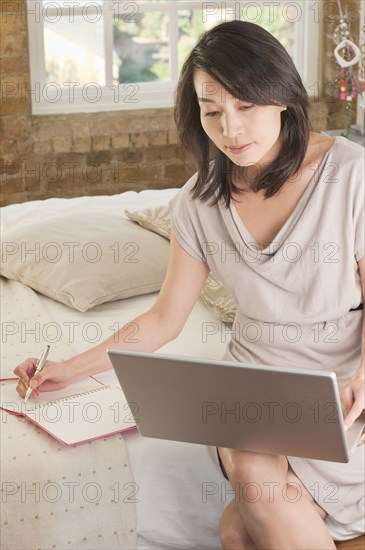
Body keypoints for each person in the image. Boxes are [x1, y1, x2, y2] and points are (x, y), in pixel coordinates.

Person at [15, 21, 364, 549]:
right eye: (213, 111)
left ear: (283, 99)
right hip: (255, 385)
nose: (231, 130)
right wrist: (68, 369)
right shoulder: (198, 202)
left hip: (345, 391)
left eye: (247, 106)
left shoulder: (352, 176)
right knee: (250, 464)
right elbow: (162, 320)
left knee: (236, 534)